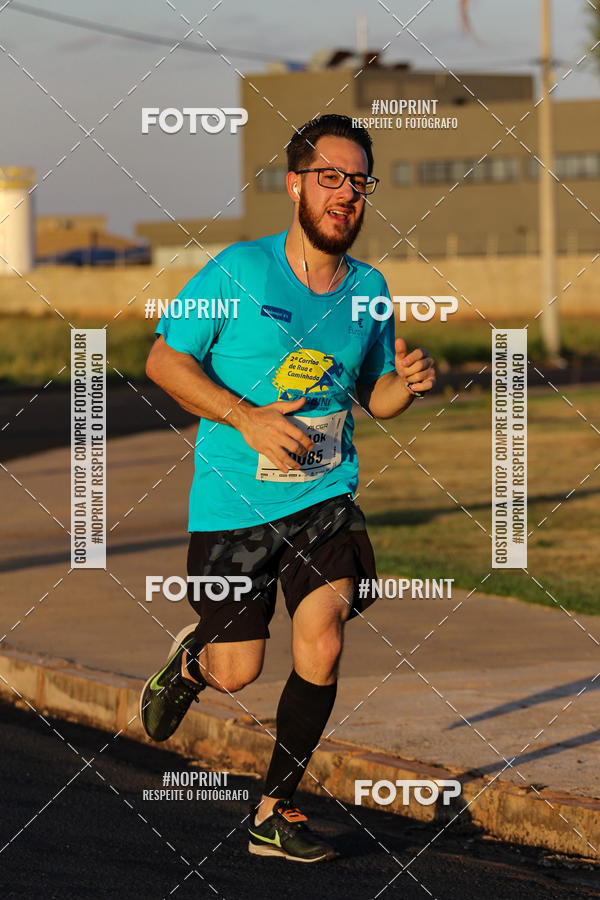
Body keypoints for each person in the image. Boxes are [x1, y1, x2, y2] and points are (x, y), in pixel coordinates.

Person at [139, 114, 436, 862]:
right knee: (238, 671)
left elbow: (376, 395)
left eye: (358, 181)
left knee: (323, 638)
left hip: (324, 500)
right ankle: (192, 664)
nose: (346, 194)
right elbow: (164, 362)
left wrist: (406, 385)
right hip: (232, 509)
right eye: (330, 177)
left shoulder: (370, 289)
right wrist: (246, 418)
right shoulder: (237, 271)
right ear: (295, 184)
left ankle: (274, 810)